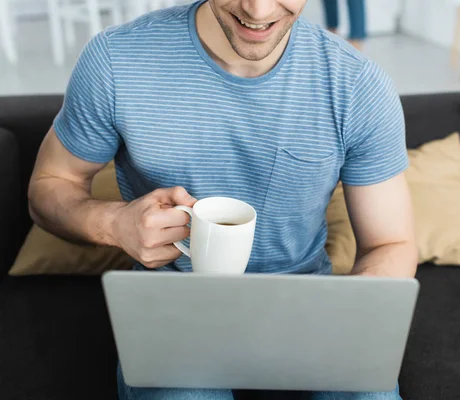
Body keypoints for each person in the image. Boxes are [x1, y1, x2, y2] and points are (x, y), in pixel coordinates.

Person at [28, 0, 417, 399]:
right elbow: (49, 184)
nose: (259, 9)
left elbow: (391, 242)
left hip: (310, 316)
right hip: (174, 315)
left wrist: (351, 314)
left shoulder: (358, 84)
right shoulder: (115, 59)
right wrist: (113, 225)